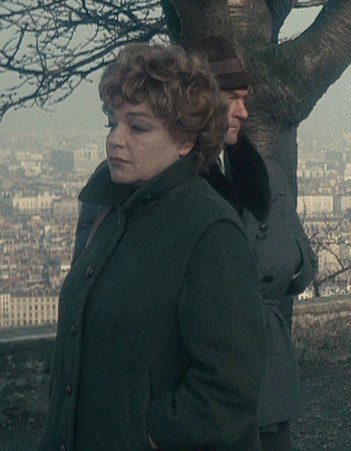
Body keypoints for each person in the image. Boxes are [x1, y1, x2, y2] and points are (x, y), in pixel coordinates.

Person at [39, 44, 267, 450]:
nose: (115, 140)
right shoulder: (112, 210)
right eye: (112, 123)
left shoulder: (210, 232)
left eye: (138, 128)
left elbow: (231, 385)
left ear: (185, 140)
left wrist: (153, 433)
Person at [185, 36, 318, 451]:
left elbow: (300, 262)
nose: (244, 111)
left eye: (244, 99)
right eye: (233, 99)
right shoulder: (178, 182)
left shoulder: (264, 173)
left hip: (268, 371)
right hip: (207, 377)